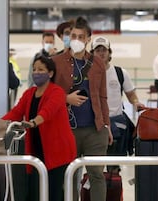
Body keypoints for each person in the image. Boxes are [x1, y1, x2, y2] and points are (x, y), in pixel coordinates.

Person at [51, 16, 113, 201]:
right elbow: (46, 96)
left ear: (88, 39)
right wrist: (66, 98)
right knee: (69, 175)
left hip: (95, 129)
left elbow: (102, 97)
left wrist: (106, 125)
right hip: (66, 130)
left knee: (96, 175)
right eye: (73, 35)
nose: (76, 39)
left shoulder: (98, 63)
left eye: (80, 36)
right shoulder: (55, 62)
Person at [2, 55, 77, 201]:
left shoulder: (57, 92)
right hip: (37, 151)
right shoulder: (29, 94)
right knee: (36, 192)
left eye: (41, 69)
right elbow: (15, 113)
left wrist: (33, 122)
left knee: (53, 193)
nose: (36, 72)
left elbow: (47, 112)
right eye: (34, 69)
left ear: (50, 73)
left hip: (57, 152)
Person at [91, 36, 144, 172]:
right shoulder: (87, 73)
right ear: (92, 53)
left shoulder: (120, 73)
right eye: (98, 50)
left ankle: (114, 190)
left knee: (114, 167)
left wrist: (136, 103)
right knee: (95, 168)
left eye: (104, 50)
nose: (101, 53)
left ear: (110, 53)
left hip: (117, 125)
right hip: (94, 125)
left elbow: (131, 94)